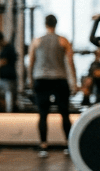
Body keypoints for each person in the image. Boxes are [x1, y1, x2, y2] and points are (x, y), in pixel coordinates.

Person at [26, 14, 76, 158]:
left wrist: (30, 80)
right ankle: (68, 145)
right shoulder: (63, 40)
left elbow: (31, 63)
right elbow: (70, 62)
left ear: (45, 24)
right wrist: (74, 81)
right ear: (56, 23)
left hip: (41, 79)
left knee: (43, 114)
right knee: (64, 113)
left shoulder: (36, 41)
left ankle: (43, 146)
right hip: (59, 79)